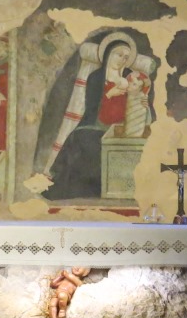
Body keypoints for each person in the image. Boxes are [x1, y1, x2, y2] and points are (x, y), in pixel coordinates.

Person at [45, 34, 144, 199]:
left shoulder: (130, 78)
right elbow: (91, 106)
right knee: (81, 139)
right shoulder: (96, 77)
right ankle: (82, 189)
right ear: (109, 54)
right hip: (96, 124)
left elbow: (140, 96)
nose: (122, 60)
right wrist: (109, 94)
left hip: (122, 127)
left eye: (126, 57)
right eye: (119, 54)